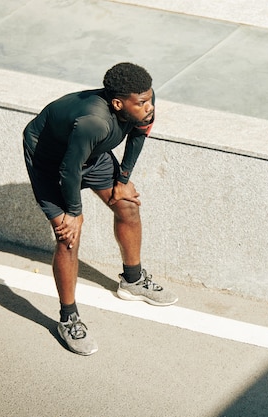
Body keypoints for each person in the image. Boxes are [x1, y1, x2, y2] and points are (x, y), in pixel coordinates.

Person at [23, 62, 178, 356]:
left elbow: (138, 135)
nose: (149, 106)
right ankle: (68, 319)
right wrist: (73, 213)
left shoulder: (142, 101)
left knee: (127, 206)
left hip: (89, 155)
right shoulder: (94, 121)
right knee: (68, 237)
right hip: (50, 162)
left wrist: (123, 180)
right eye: (142, 102)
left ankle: (132, 281)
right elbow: (70, 169)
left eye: (149, 98)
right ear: (119, 103)